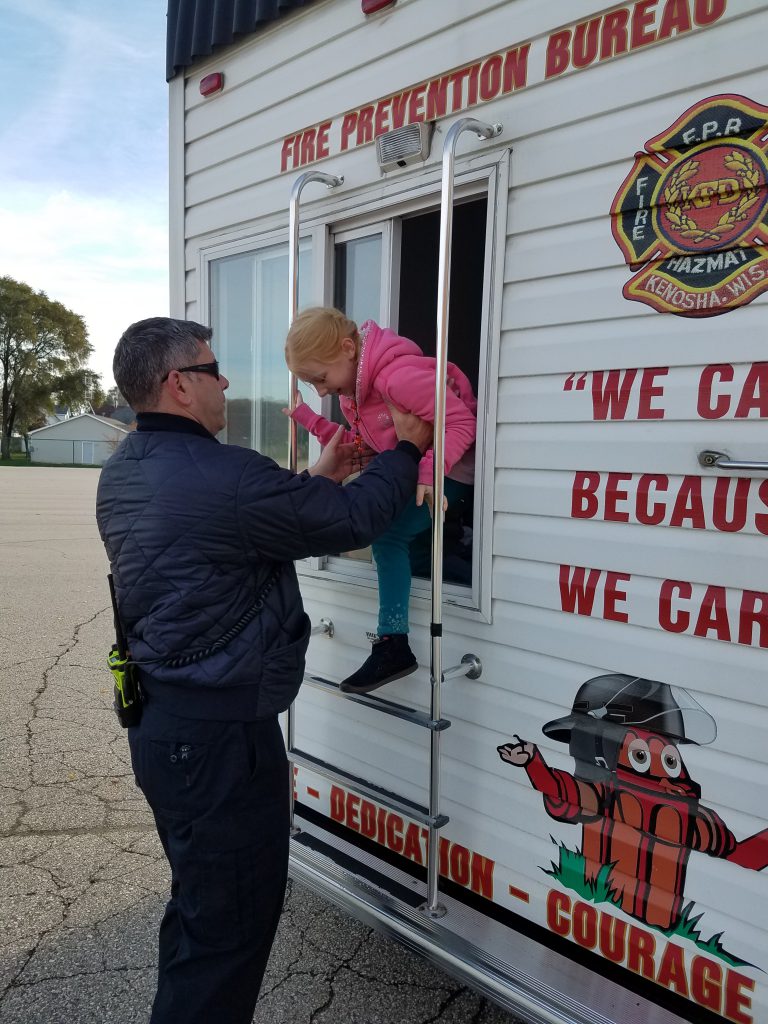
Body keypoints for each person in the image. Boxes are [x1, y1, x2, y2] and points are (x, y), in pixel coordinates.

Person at [95, 316, 432, 1024]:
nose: (225, 383)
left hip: (166, 731)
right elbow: (352, 520)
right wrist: (407, 448)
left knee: (201, 913)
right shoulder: (228, 477)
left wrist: (309, 480)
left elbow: (220, 534)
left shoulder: (125, 469)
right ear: (179, 384)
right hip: (219, 745)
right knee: (229, 934)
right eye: (214, 370)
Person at [284, 306, 477, 695]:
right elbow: (362, 446)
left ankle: (394, 645)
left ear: (347, 348)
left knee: (389, 538)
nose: (321, 391)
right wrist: (309, 419)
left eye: (320, 379)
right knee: (409, 545)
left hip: (449, 471)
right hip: (420, 470)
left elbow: (461, 423)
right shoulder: (355, 392)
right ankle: (454, 572)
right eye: (311, 385)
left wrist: (428, 472)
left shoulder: (397, 379)